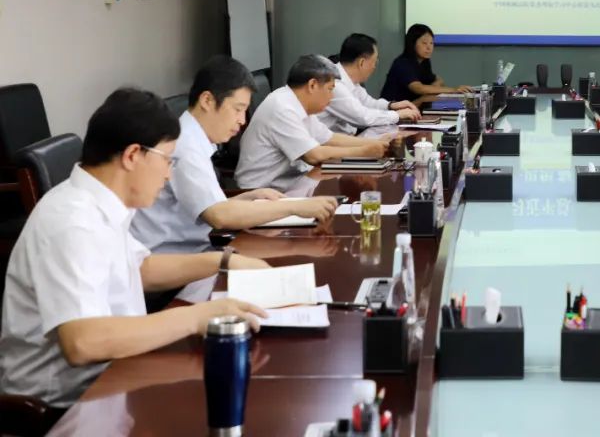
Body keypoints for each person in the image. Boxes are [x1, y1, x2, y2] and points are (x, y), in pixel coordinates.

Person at [0, 88, 270, 413]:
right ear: (132, 155)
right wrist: (198, 316)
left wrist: (223, 260)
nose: (168, 174)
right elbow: (83, 342)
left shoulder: (99, 202)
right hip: (67, 407)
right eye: (167, 160)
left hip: (115, 375)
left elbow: (140, 269)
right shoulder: (72, 221)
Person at [131, 56, 338, 255]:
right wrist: (295, 207)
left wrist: (248, 197)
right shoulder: (186, 146)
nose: (242, 120)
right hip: (177, 260)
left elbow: (208, 206)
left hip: (199, 248)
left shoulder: (193, 138)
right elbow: (219, 216)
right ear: (207, 101)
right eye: (238, 110)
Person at [236, 55, 391, 190]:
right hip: (260, 193)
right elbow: (314, 156)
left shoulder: (298, 103)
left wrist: (375, 143)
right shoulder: (282, 108)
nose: (331, 97)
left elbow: (329, 138)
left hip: (289, 182)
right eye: (330, 89)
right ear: (312, 85)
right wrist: (363, 151)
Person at [320, 33, 421, 134]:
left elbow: (368, 103)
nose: (374, 67)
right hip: (329, 143)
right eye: (375, 62)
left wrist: (391, 106)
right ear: (362, 63)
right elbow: (362, 117)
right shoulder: (334, 83)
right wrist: (397, 115)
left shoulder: (351, 81)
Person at [380, 24, 470, 104]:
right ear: (412, 43)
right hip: (392, 110)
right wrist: (453, 90)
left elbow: (439, 80)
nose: (429, 47)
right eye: (424, 43)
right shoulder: (402, 63)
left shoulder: (424, 61)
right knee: (426, 99)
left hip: (410, 108)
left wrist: (431, 88)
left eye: (431, 43)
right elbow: (418, 88)